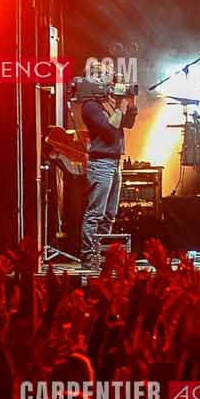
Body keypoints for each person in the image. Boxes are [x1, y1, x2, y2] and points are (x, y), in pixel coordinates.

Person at [74, 63, 138, 270]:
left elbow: (127, 124)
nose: (109, 81)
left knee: (109, 214)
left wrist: (131, 102)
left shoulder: (107, 103)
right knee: (96, 213)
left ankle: (103, 256)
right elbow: (110, 129)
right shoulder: (90, 106)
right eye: (104, 77)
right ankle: (88, 257)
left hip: (113, 162)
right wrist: (119, 105)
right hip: (100, 163)